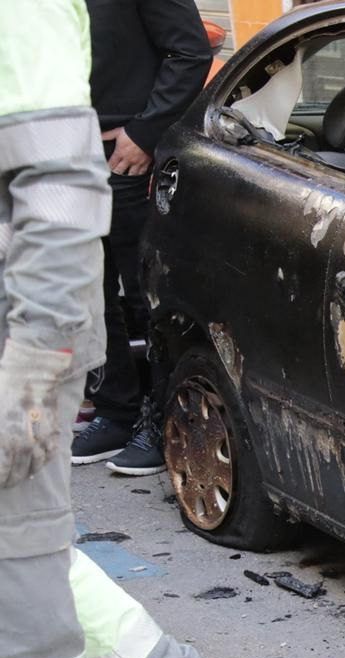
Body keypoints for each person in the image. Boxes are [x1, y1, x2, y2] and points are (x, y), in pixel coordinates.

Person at [1, 0, 255, 658]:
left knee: (16, 614)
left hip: (15, 347)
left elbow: (59, 193)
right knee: (23, 567)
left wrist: (30, 379)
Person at [71, 0, 211, 475]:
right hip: (60, 153)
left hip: (124, 156)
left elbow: (190, 52)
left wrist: (144, 132)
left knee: (148, 294)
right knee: (88, 291)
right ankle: (115, 410)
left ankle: (162, 418)